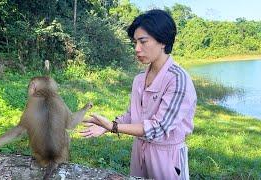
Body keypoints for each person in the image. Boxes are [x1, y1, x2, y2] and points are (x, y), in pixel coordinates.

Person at [80, 9, 197, 179]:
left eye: (143, 41)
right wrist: (106, 125)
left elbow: (158, 129)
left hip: (167, 156)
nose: (137, 49)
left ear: (163, 41)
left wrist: (113, 127)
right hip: (139, 151)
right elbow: (132, 116)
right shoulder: (139, 79)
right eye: (135, 42)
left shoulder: (178, 79)